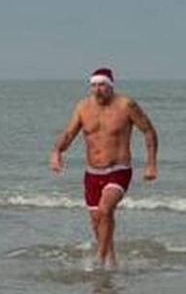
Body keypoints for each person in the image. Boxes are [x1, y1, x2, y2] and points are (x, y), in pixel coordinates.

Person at [51, 68, 158, 270]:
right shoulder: (83, 107)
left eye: (101, 85)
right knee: (96, 220)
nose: (97, 90)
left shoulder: (126, 105)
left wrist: (151, 164)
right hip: (92, 172)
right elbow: (69, 134)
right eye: (93, 85)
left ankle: (99, 260)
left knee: (105, 210)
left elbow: (149, 131)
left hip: (119, 169)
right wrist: (57, 152)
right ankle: (111, 260)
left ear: (110, 86)